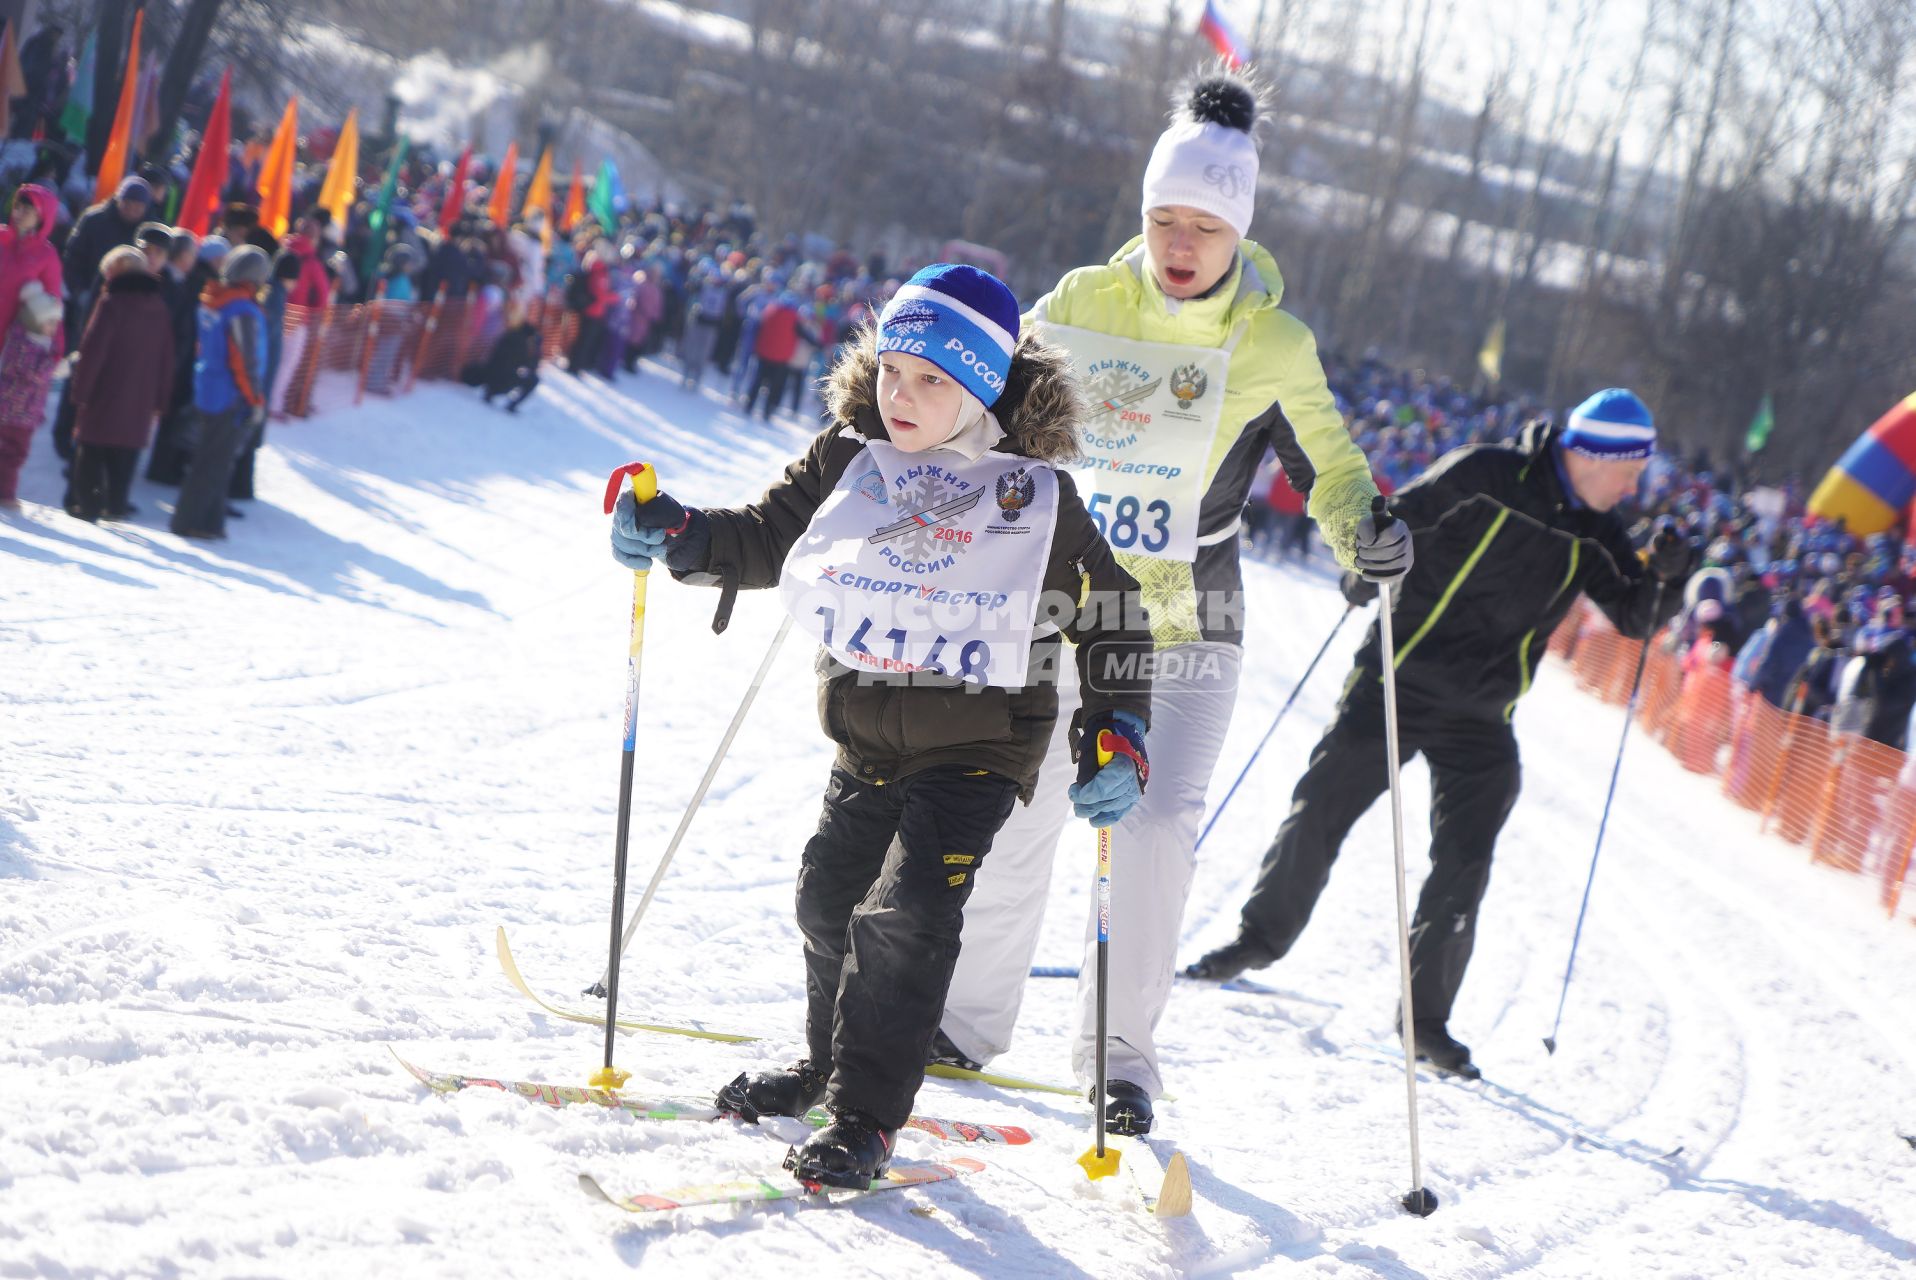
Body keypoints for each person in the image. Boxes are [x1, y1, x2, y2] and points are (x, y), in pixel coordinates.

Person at [607, 264, 1153, 1187]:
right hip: (866, 736)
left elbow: (1115, 618)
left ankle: (865, 1115)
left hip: (975, 751)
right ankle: (825, 1065)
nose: (902, 395)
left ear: (981, 387)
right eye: (895, 369)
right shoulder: (850, 458)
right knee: (828, 898)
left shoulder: (1035, 501)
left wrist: (1120, 728)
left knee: (905, 917)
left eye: (933, 381)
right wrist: (677, 534)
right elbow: (762, 535)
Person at [933, 70, 1402, 1136]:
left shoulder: (1270, 343)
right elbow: (994, 414)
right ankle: (963, 1020)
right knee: (1022, 802)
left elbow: (1327, 470)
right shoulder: (1084, 303)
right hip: (1070, 601)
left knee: (1150, 827)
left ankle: (1121, 1061)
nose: (1179, 243)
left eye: (1202, 223)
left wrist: (1364, 527)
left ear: (1237, 225)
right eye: (1161, 219)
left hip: (1192, 610)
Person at [1185, 389, 1692, 1079]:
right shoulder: (1486, 473)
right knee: (1321, 808)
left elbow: (1635, 616)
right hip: (1401, 675)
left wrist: (1666, 579)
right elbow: (1397, 520)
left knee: (1465, 860)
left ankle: (1425, 1022)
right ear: (1594, 457)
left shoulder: (1601, 531)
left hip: (1483, 713)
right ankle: (1259, 939)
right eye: (1631, 471)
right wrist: (1364, 569)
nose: (1637, 486)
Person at [64, 247, 174, 522]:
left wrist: (80, 390)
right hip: (141, 397)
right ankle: (115, 505)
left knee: (90, 450)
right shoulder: (159, 306)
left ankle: (87, 506)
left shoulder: (112, 303)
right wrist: (161, 398)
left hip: (105, 391)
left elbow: (93, 351)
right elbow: (167, 357)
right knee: (125, 454)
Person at [172, 246, 270, 541]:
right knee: (212, 462)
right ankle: (189, 521)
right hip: (229, 393)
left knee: (215, 459)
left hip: (210, 386)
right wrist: (254, 398)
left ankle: (209, 522)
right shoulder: (241, 309)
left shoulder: (214, 300)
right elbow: (244, 359)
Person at [0, 184, 65, 509]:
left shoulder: (46, 255)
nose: (20, 210)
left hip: (13, 348)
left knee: (8, 425)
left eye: (29, 206)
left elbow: (53, 307)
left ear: (43, 216)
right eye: (18, 204)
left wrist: (54, 352)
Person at [478, 302, 541, 412]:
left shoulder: (513, 335)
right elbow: (529, 364)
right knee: (532, 380)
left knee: (526, 377)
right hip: (499, 376)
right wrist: (535, 354)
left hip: (493, 374)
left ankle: (491, 392)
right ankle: (506, 401)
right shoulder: (521, 342)